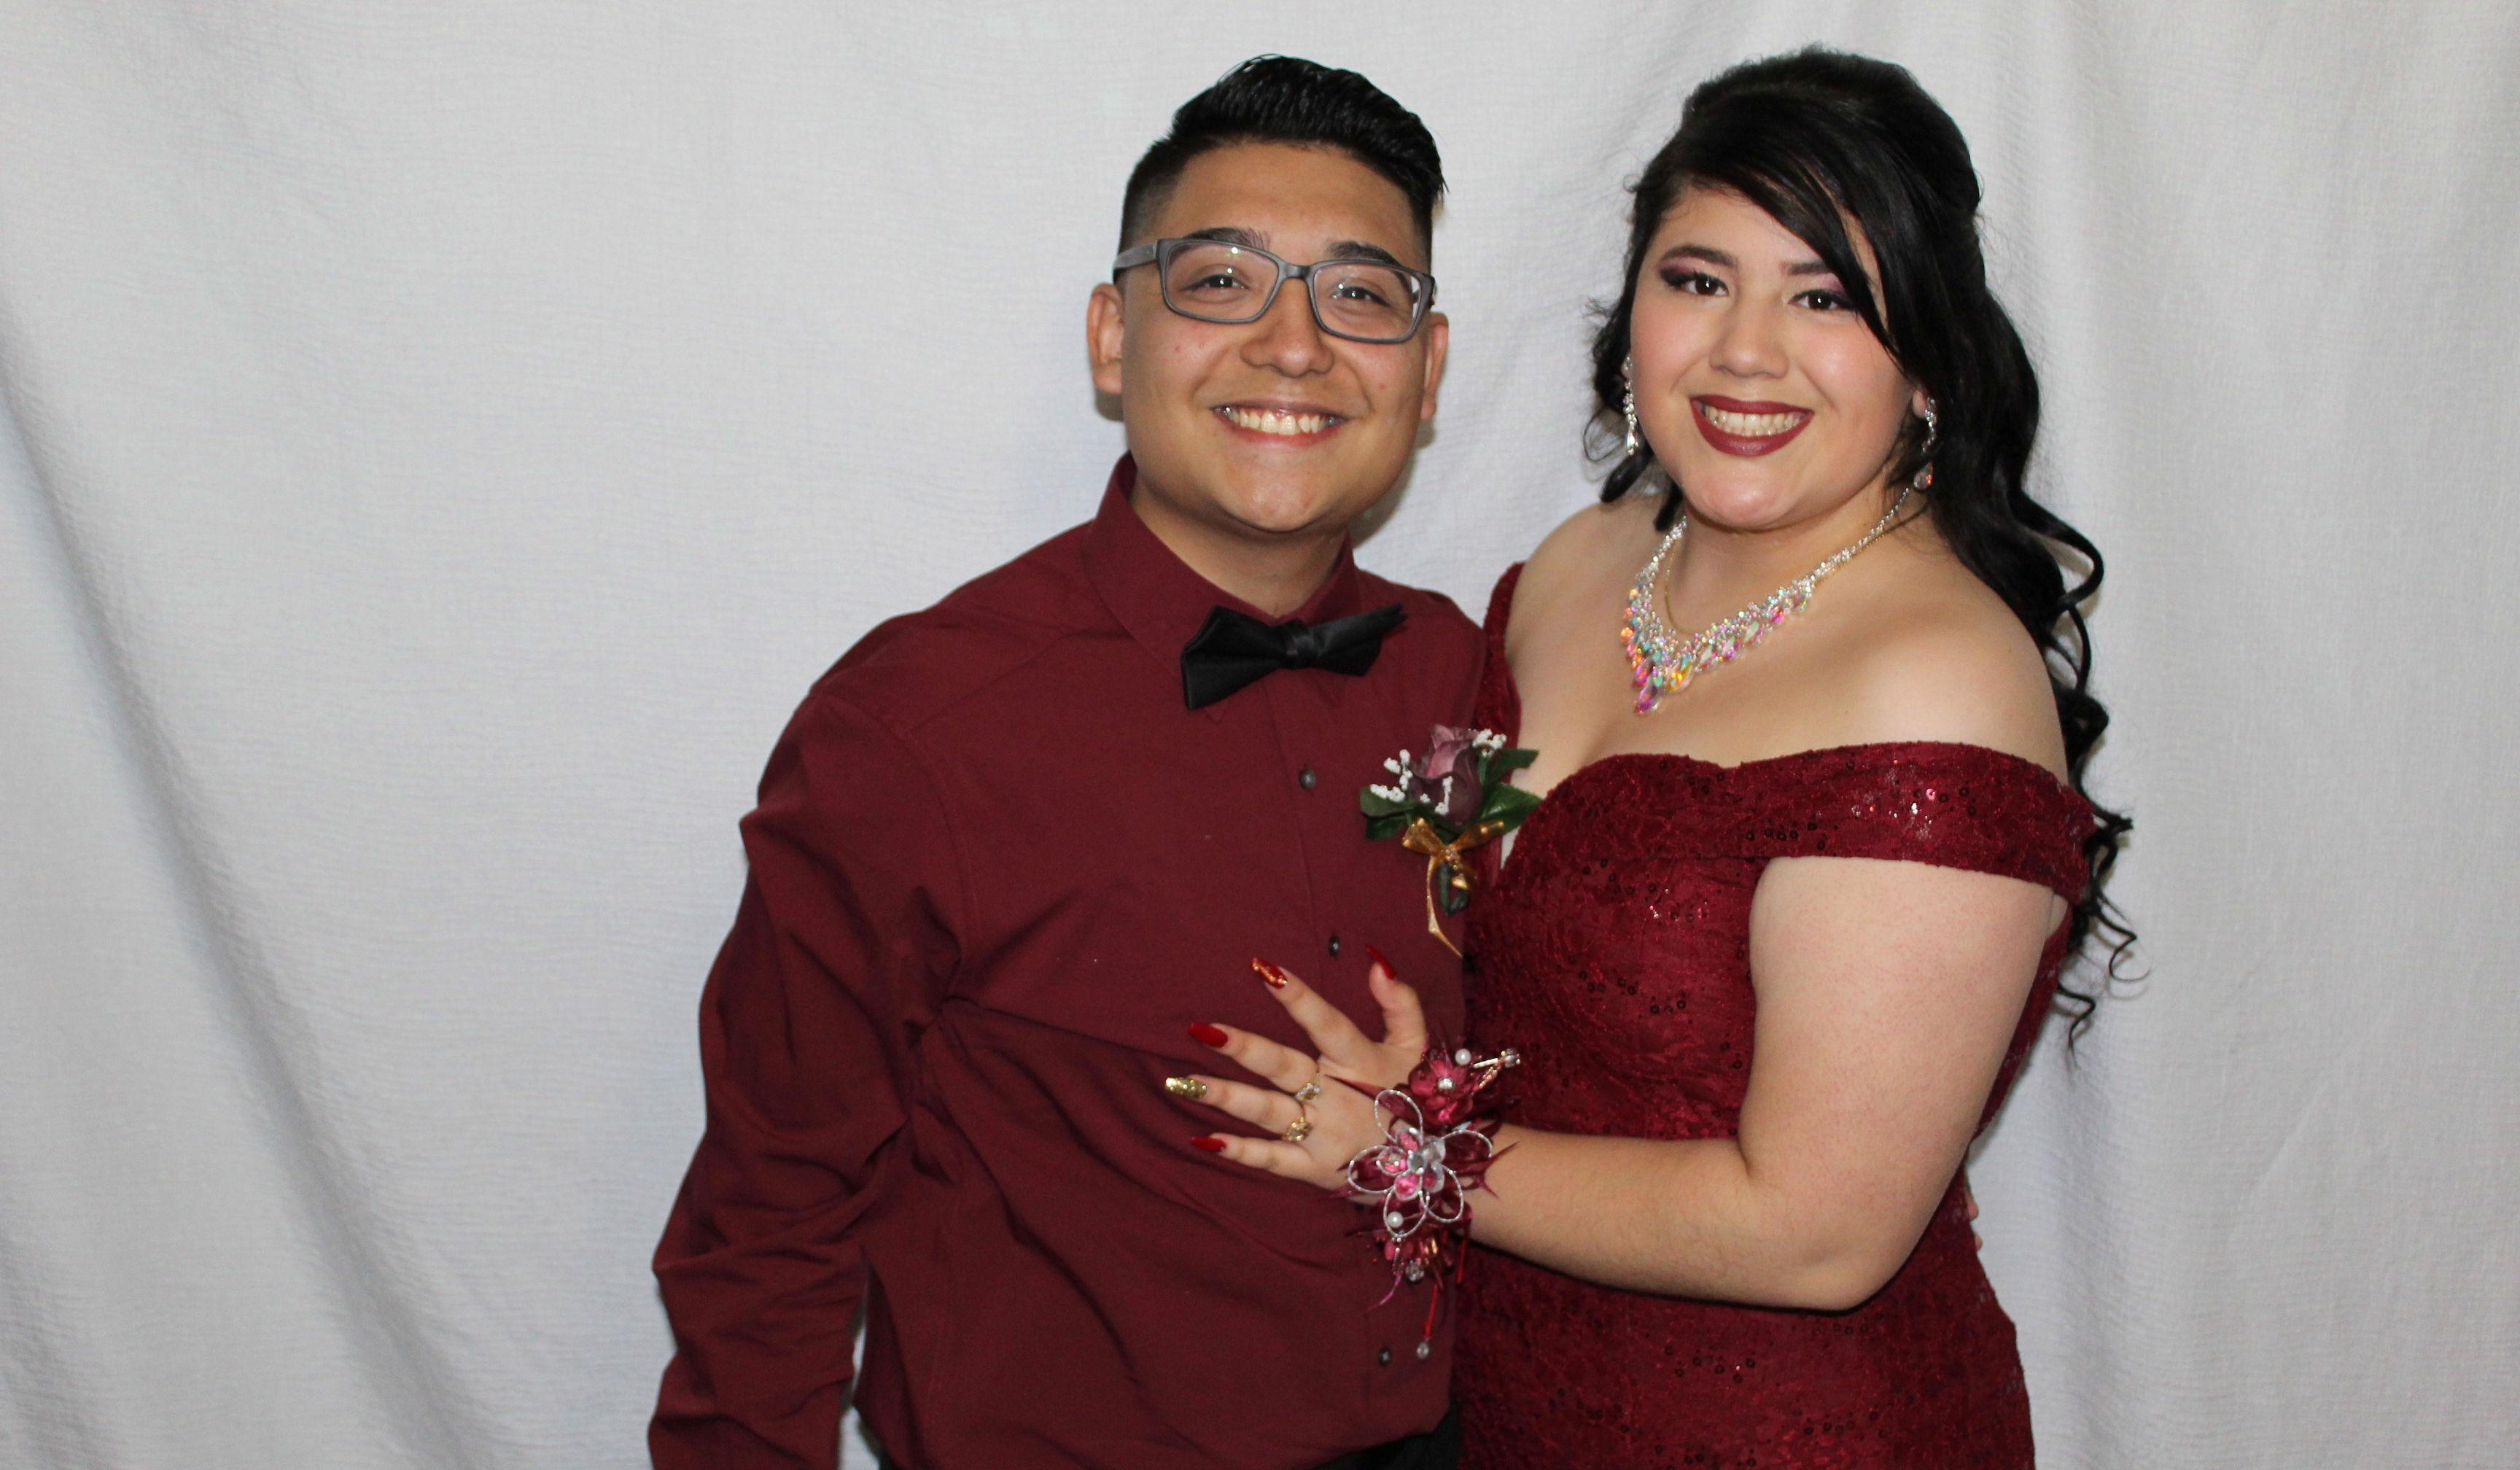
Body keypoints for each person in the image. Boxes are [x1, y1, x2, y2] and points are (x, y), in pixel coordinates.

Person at [1170, 48, 2131, 1467]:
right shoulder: (1589, 561)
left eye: (1824, 297)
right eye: (1699, 280)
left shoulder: (1936, 680)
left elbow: (1817, 1234)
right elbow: (1473, 924)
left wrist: (1402, 1152)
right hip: (1502, 1399)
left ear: (1927, 359)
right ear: (1633, 318)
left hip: (1795, 1433)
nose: (1747, 350)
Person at [647, 56, 1483, 1470]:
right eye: (1222, 281)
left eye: (1360, 293)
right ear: (1113, 337)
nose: (1294, 345)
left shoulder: (1469, 676)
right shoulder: (915, 727)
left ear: (1430, 367)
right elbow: (769, 1217)